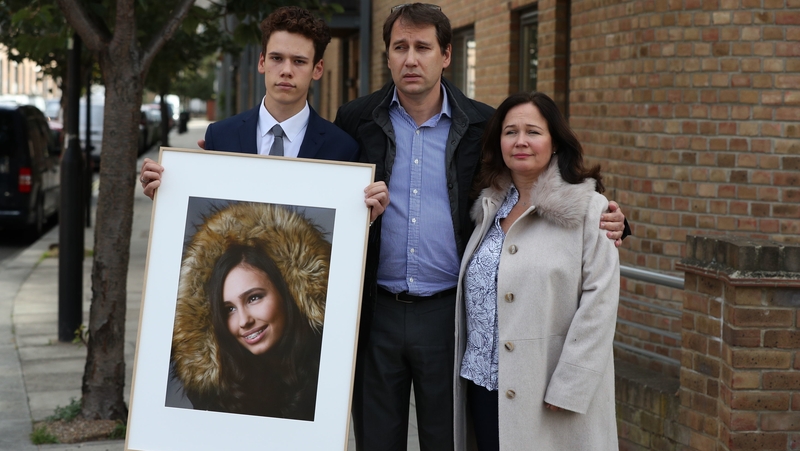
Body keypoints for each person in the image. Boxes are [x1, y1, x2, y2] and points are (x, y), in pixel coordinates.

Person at [333, 4, 628, 450]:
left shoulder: (481, 124)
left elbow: (539, 182)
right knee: (375, 439)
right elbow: (319, 189)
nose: (411, 59)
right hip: (376, 313)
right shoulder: (355, 120)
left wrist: (613, 221)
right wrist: (222, 158)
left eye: (423, 47)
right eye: (400, 47)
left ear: (446, 54)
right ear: (388, 55)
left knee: (447, 438)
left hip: (447, 315)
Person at [453, 92, 620, 450]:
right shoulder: (487, 206)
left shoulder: (591, 209)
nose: (521, 141)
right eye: (510, 132)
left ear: (555, 142)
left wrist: (570, 384)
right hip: (484, 387)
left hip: (548, 391)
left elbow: (601, 304)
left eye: (533, 131)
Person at [139, 6, 388, 221]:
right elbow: (205, 217)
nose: (286, 70)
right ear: (262, 62)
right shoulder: (220, 136)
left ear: (318, 69)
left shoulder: (343, 148)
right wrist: (168, 193)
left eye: (299, 61)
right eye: (277, 58)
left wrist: (364, 217)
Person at [171, 202, 331, 421]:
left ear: (287, 292)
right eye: (228, 309)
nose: (244, 321)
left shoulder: (332, 358)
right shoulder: (216, 389)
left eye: (254, 297)